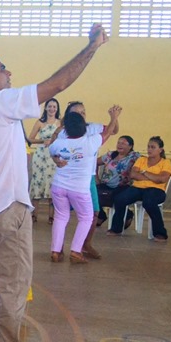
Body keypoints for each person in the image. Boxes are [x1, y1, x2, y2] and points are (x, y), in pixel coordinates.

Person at [0, 24, 108, 342]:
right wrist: (92, 47)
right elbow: (56, 84)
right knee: (10, 289)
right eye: (3, 67)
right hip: (6, 211)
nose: (10, 73)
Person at [47, 108, 118, 263]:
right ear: (83, 127)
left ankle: (56, 251)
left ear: (66, 128)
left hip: (58, 186)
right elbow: (108, 132)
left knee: (60, 217)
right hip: (79, 189)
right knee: (86, 217)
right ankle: (76, 251)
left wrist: (58, 160)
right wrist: (114, 117)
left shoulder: (59, 142)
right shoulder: (90, 141)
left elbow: (52, 152)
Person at [108, 136, 171, 241]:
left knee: (149, 202)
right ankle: (116, 228)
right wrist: (153, 178)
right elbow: (133, 174)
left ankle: (160, 233)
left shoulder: (165, 162)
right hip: (138, 187)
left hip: (156, 190)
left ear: (160, 150)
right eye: (148, 147)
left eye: (153, 147)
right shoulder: (141, 160)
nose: (149, 149)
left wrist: (144, 172)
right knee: (119, 199)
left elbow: (162, 179)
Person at [27, 98, 61, 223]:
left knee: (52, 183)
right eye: (50, 106)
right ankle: (34, 214)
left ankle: (51, 216)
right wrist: (42, 141)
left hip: (53, 156)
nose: (52, 109)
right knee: (37, 182)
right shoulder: (40, 123)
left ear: (57, 109)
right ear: (46, 108)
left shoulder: (59, 123)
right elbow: (30, 139)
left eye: (54, 107)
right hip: (40, 155)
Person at [97, 134, 140, 225]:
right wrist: (96, 178)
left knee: (117, 197)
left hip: (123, 185)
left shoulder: (134, 156)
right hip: (106, 184)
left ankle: (127, 215)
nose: (120, 145)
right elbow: (94, 163)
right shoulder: (110, 155)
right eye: (119, 143)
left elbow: (146, 163)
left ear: (130, 146)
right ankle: (101, 216)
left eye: (123, 143)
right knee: (92, 194)